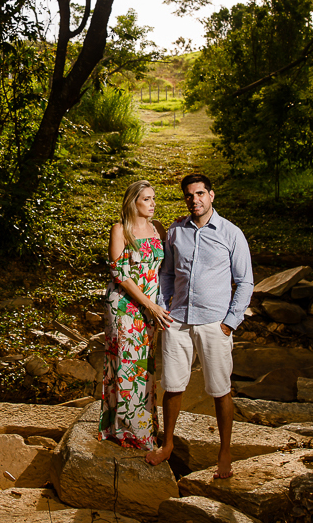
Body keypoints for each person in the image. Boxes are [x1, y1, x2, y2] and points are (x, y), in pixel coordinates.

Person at [145, 173, 253, 479]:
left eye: (200, 194)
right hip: (177, 321)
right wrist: (165, 307)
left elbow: (245, 282)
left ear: (211, 196)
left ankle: (225, 452)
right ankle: (167, 446)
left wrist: (230, 323)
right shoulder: (176, 231)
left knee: (220, 389)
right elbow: (166, 273)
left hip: (214, 323)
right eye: (190, 195)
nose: (195, 200)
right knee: (173, 386)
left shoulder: (231, 234)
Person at [99, 180, 174, 449]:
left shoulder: (158, 229)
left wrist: (159, 303)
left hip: (151, 304)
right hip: (124, 306)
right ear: (133, 202)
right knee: (125, 365)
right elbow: (120, 274)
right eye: (147, 199)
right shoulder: (120, 230)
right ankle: (124, 430)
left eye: (154, 198)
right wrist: (151, 306)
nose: (153, 204)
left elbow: (165, 270)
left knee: (145, 365)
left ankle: (144, 426)